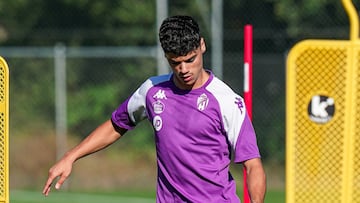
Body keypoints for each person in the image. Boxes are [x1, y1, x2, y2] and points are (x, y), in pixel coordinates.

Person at [42, 15, 266, 203]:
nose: (184, 69)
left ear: (202, 45)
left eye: (190, 59)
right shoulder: (151, 90)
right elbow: (115, 125)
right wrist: (70, 157)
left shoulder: (226, 100)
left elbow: (252, 164)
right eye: (175, 62)